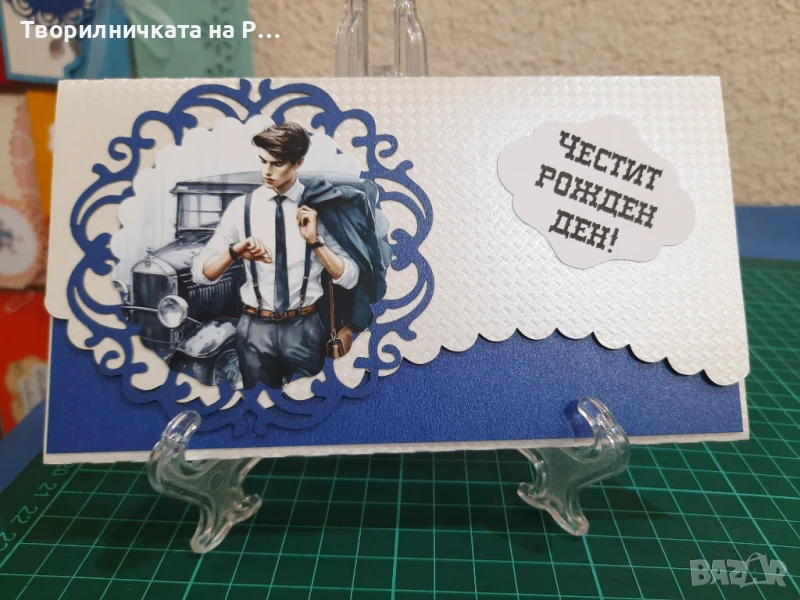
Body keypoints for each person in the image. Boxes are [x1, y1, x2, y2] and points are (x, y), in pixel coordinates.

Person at [192, 122, 386, 389]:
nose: (267, 171)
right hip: (254, 332)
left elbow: (350, 277)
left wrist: (315, 242)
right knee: (260, 402)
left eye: (277, 163)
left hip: (305, 329)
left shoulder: (319, 206)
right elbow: (201, 273)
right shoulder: (241, 209)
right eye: (263, 161)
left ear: (298, 162)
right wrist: (234, 252)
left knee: (310, 401)